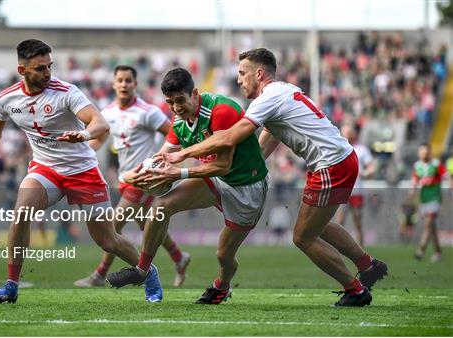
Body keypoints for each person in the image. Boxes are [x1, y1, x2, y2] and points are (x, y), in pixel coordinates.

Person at [163, 49, 388, 307]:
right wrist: (252, 168)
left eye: (242, 73)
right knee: (319, 225)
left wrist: (182, 155)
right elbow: (269, 138)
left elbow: (227, 138)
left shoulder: (266, 99)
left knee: (303, 237)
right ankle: (367, 265)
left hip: (331, 164)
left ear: (258, 74)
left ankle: (356, 290)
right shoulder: (283, 91)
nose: (239, 80)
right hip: (339, 159)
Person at [0, 39, 162, 303]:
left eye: (50, 66)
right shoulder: (7, 98)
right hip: (45, 169)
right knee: (21, 213)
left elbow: (100, 124)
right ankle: (11, 285)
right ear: (22, 70)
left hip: (82, 170)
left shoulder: (67, 91)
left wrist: (82, 134)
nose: (48, 73)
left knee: (107, 240)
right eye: (40, 68)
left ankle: (149, 272)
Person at [106, 68, 269, 304]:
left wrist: (178, 173)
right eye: (170, 102)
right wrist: (135, 174)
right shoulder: (179, 120)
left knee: (224, 255)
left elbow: (223, 165)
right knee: (161, 205)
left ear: (194, 93)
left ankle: (222, 286)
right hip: (214, 180)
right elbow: (161, 157)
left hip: (246, 186)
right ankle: (143, 270)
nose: (176, 108)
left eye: (180, 100)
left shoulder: (221, 111)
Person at [74, 65, 190, 288]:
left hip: (145, 178)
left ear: (135, 84)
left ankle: (99, 275)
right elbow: (101, 138)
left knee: (113, 225)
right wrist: (83, 149)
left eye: (129, 80)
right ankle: (179, 257)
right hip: (124, 178)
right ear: (114, 84)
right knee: (149, 225)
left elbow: (174, 134)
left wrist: (165, 163)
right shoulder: (107, 113)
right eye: (120, 80)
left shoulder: (148, 112)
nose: (124, 84)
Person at [335, 124, 376, 247]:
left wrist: (366, 173)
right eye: (345, 132)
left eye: (349, 132)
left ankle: (361, 251)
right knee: (339, 222)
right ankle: (338, 249)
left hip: (356, 191)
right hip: (341, 191)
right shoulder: (336, 148)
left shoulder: (361, 150)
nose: (347, 135)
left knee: (358, 223)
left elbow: (371, 167)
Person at [412, 144, 448, 262]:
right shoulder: (417, 166)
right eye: (422, 153)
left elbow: (446, 175)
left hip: (434, 199)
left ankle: (421, 250)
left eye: (426, 153)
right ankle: (438, 253)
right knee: (432, 228)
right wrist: (412, 190)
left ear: (429, 153)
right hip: (423, 200)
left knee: (428, 224)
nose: (424, 155)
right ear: (419, 154)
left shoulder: (436, 164)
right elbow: (415, 181)